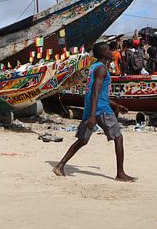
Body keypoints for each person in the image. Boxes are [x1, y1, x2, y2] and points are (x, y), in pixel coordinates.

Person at [53, 42, 136, 182]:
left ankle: (60, 166)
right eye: (108, 50)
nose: (111, 52)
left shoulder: (93, 68)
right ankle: (120, 174)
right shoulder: (102, 69)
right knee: (118, 137)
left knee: (82, 140)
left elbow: (97, 93)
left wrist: (117, 105)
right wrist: (93, 116)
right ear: (103, 53)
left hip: (93, 108)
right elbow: (96, 94)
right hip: (101, 110)